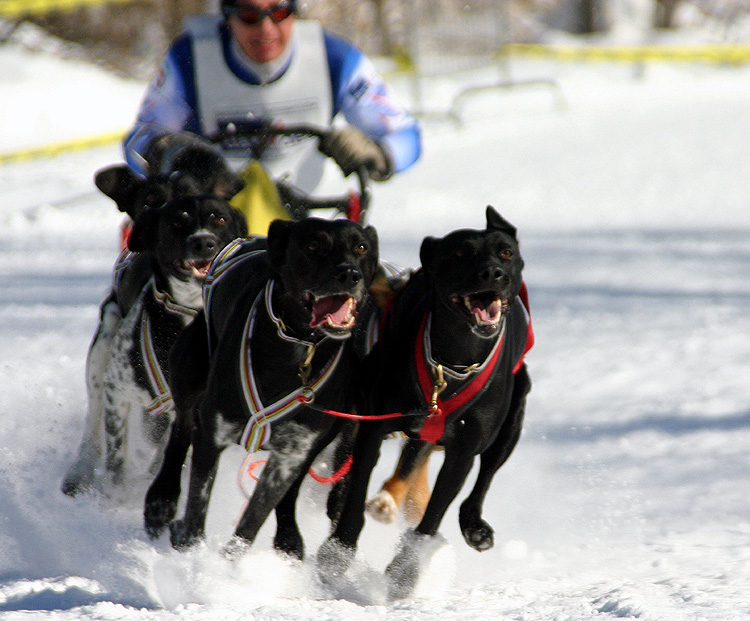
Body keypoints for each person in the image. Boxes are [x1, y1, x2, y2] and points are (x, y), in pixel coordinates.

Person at [124, 0, 422, 231]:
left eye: (279, 12)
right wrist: (177, 154)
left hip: (304, 223)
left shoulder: (335, 58)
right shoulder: (190, 57)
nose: (266, 29)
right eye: (249, 15)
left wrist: (377, 152)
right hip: (212, 225)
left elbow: (407, 135)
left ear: (295, 10)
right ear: (227, 14)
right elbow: (139, 142)